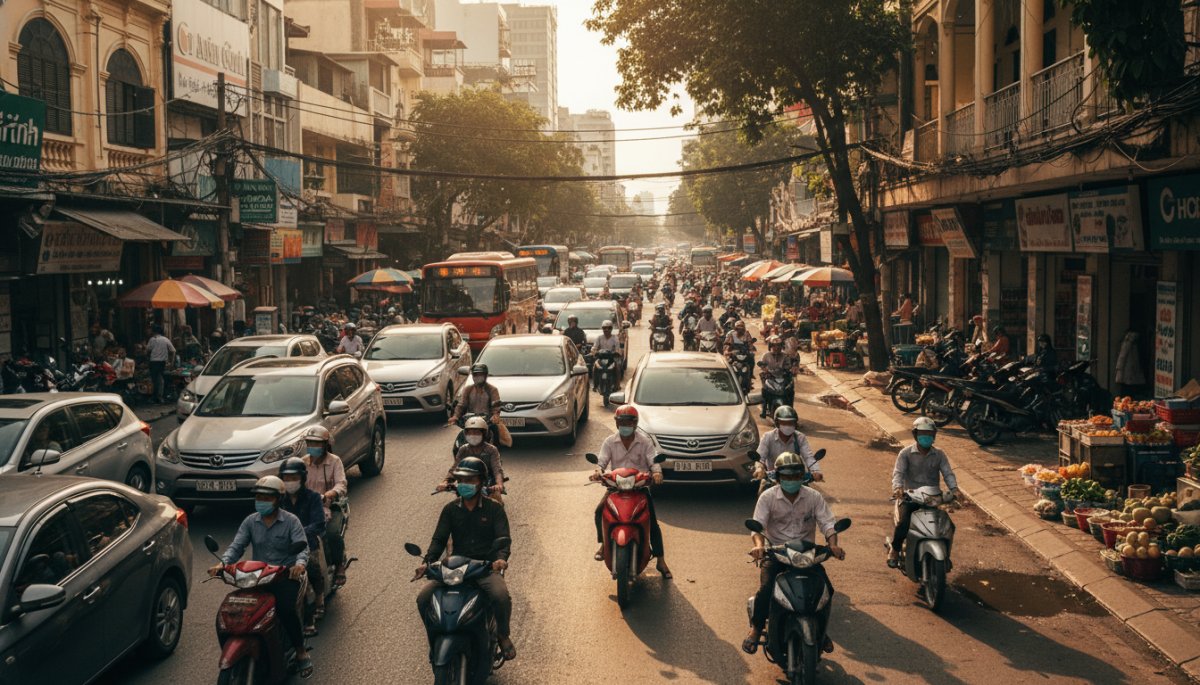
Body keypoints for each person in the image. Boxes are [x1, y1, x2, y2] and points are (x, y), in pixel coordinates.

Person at [209, 476, 313, 678]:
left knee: (286, 610)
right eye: (259, 496)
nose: (261, 501)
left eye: (266, 497)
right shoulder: (250, 521)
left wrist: (299, 565)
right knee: (231, 611)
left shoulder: (291, 522)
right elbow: (236, 547)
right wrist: (222, 564)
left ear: (278, 499)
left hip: (283, 577)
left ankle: (300, 652)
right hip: (257, 578)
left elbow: (303, 548)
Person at [414, 456, 516, 661]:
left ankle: (503, 635)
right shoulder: (450, 510)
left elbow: (503, 540)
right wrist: (427, 562)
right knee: (423, 598)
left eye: (470, 481)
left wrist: (500, 560)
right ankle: (434, 639)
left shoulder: (494, 509)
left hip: (484, 567)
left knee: (500, 595)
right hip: (455, 566)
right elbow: (439, 539)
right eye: (461, 481)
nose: (465, 485)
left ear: (481, 482)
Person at [742, 452, 844, 656]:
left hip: (807, 553)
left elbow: (827, 523)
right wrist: (759, 546)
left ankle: (821, 632)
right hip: (777, 553)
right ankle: (756, 629)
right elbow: (758, 527)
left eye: (796, 476)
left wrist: (832, 545)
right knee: (766, 590)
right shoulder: (768, 497)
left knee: (827, 590)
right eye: (786, 477)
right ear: (778, 478)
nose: (791, 480)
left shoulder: (813, 497)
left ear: (802, 477)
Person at [590, 405, 672, 578]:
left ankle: (661, 560)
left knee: (653, 523)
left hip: (639, 488)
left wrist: (656, 472)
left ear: (635, 424)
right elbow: (602, 462)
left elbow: (653, 460)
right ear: (617, 423)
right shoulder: (610, 442)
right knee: (599, 512)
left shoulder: (645, 442)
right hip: (615, 488)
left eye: (628, 422)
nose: (624, 425)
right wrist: (597, 472)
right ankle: (604, 544)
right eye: (621, 422)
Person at [887, 417, 960, 567]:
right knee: (903, 523)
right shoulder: (905, 453)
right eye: (922, 433)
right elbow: (898, 474)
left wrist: (954, 489)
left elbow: (948, 473)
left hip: (933, 498)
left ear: (934, 435)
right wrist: (898, 489)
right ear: (915, 435)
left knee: (949, 526)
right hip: (910, 497)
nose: (926, 436)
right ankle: (894, 550)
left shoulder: (939, 454)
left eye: (929, 433)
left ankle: (946, 554)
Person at [279, 457, 327, 634]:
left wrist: (297, 534)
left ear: (302, 478)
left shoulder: (313, 498)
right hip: (282, 547)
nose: (290, 482)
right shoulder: (279, 500)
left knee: (310, 571)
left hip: (307, 544)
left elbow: (319, 524)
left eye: (294, 478)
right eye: (286, 478)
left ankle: (316, 605)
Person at [302, 426, 350, 586]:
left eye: (317, 443)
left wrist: (329, 494)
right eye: (310, 443)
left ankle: (339, 565)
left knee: (332, 534)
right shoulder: (303, 463)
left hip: (330, 507)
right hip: (305, 509)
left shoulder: (334, 461)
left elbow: (341, 484)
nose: (313, 447)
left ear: (325, 444)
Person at [440, 416, 506, 503]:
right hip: (467, 482)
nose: (473, 435)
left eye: (476, 432)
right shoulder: (463, 449)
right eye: (470, 433)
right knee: (455, 506)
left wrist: (499, 484)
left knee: (497, 503)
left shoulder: (491, 450)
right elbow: (455, 468)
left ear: (483, 434)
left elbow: (497, 469)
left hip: (488, 482)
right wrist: (445, 481)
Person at [754, 406, 822, 482]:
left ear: (795, 423)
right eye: (784, 423)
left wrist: (815, 471)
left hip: (795, 477)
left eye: (791, 423)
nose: (788, 425)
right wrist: (759, 468)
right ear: (777, 423)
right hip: (773, 479)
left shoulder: (800, 437)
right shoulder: (768, 437)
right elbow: (760, 458)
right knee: (764, 492)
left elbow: (808, 457)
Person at [449, 363, 502, 428]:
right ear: (473, 376)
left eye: (480, 375)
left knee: (502, 435)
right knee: (460, 437)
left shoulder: (492, 390)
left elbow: (496, 406)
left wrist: (495, 416)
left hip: (488, 423)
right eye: (476, 375)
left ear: (485, 375)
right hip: (470, 422)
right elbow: (461, 405)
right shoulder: (468, 389)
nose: (478, 377)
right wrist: (455, 416)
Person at [757, 337, 794, 417]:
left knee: (790, 391)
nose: (776, 348)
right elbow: (762, 366)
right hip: (770, 377)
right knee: (764, 390)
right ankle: (764, 409)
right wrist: (765, 370)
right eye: (774, 346)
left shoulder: (785, 356)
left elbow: (788, 366)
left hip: (782, 377)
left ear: (782, 346)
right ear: (770, 346)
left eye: (779, 346)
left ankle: (791, 409)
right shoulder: (766, 355)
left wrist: (789, 370)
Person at [146, 325, 175, 404]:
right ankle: (160, 397)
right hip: (162, 362)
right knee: (161, 379)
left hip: (153, 362)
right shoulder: (166, 340)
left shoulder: (152, 340)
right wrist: (171, 362)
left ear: (154, 331)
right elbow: (173, 351)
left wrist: (148, 357)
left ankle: (156, 397)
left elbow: (148, 350)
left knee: (155, 380)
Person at [1115, 329, 1146, 396]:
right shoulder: (1128, 343)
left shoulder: (1128, 343)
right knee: (1130, 387)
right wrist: (1119, 369)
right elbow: (1122, 357)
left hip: (1130, 370)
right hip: (1129, 370)